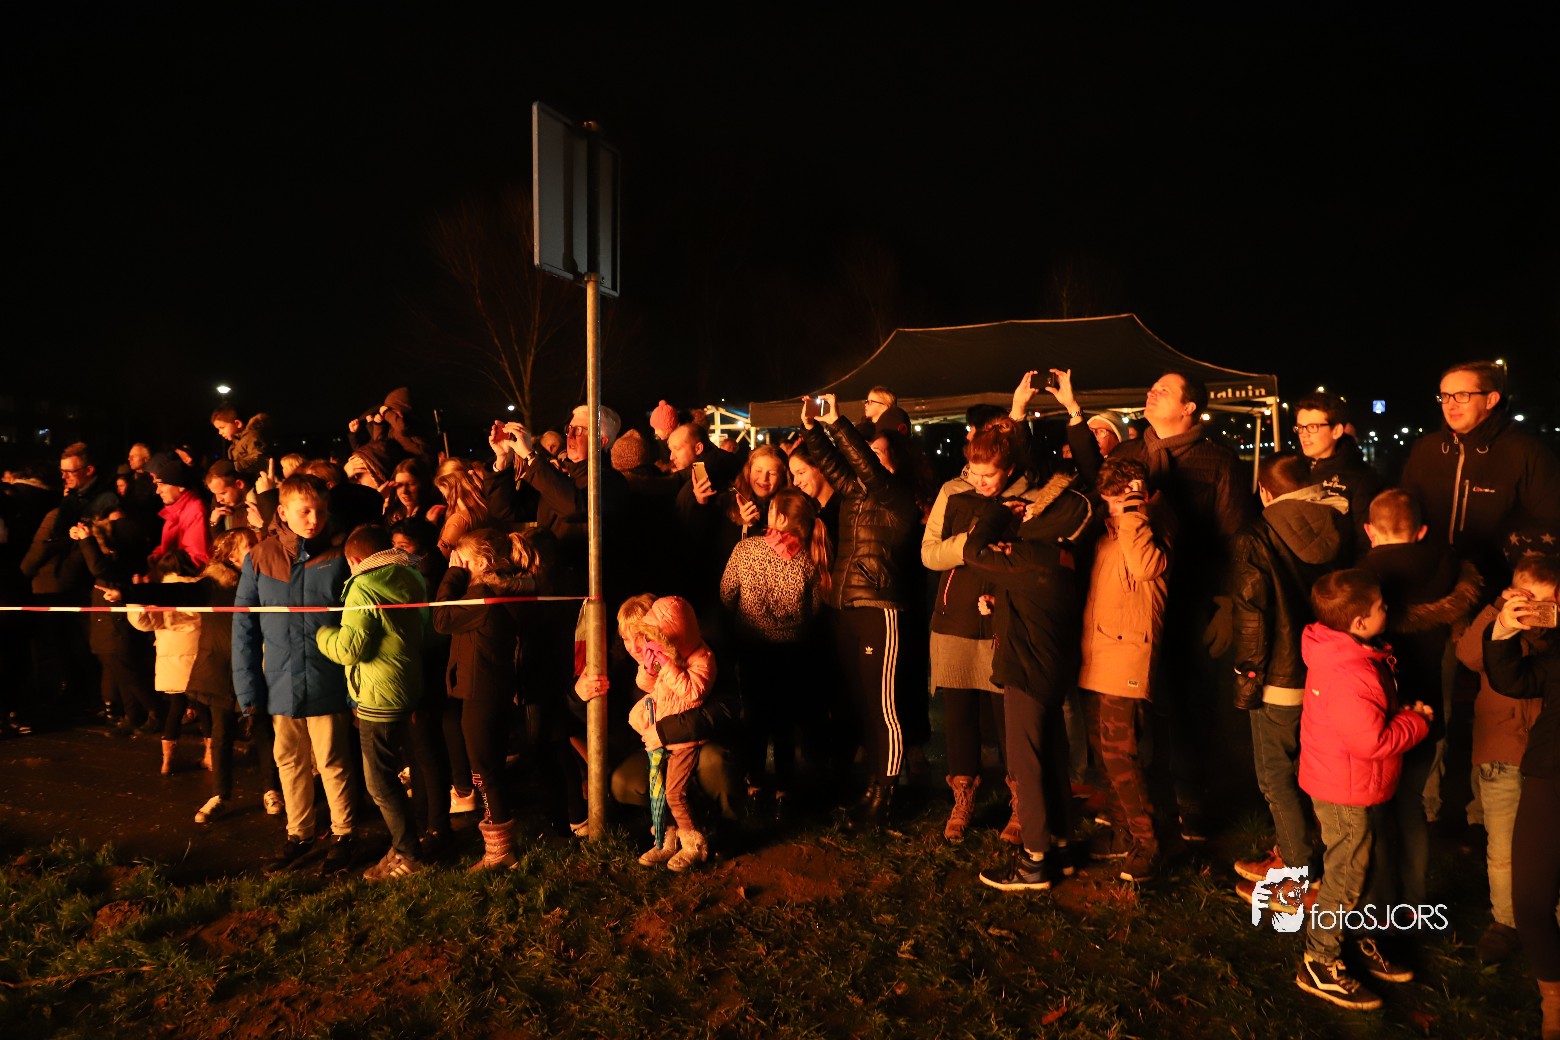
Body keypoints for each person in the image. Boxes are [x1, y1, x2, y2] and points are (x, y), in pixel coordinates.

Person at [958, 438, 1095, 892]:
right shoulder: (1062, 557)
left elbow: (973, 552)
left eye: (1039, 509)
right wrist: (1001, 603)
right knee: (1050, 756)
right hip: (1051, 666)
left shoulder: (1032, 554)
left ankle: (1034, 858)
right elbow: (1031, 598)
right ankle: (1060, 845)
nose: (1031, 511)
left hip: (1026, 668)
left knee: (1026, 763)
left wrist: (999, 513)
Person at [1295, 569, 1433, 1011]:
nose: (1387, 609)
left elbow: (1364, 722)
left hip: (1347, 780)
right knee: (1345, 876)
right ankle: (1320, 960)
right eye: (1380, 607)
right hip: (1345, 788)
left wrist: (1396, 711)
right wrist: (1417, 722)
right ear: (1358, 623)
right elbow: (1371, 742)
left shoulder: (1344, 654)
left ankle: (1354, 938)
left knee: (1360, 867)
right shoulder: (1351, 672)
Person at [1229, 453, 1349, 896]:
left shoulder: (1255, 536)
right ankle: (1314, 854)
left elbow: (1253, 617)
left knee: (1276, 775)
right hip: (1330, 669)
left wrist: (1248, 674)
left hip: (1281, 677)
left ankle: (1299, 872)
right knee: (1316, 772)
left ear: (1265, 492)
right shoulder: (1337, 523)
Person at [800, 393, 922, 828]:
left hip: (878, 607)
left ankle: (886, 796)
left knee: (882, 706)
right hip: (846, 605)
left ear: (895, 462)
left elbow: (865, 467)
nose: (869, 457)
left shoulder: (898, 497)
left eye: (879, 453)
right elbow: (834, 465)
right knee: (863, 705)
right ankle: (872, 787)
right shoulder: (856, 493)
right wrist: (812, 430)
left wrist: (837, 422)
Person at [921, 415, 1039, 844]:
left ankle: (1021, 802)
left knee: (1008, 718)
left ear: (1009, 469)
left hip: (1003, 621)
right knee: (958, 717)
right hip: (954, 618)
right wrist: (969, 541)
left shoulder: (1027, 500)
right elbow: (929, 554)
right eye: (974, 471)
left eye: (989, 474)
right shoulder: (953, 493)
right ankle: (963, 798)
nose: (980, 481)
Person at [233, 474, 357, 876]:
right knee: (288, 760)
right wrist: (247, 690)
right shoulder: (259, 557)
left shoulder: (341, 555)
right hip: (280, 682)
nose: (314, 519)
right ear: (283, 512)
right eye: (305, 511)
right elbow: (243, 628)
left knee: (333, 760)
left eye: (320, 510)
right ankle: (299, 833)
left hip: (327, 678)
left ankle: (344, 834)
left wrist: (355, 688)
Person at [317, 524, 428, 881]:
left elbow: (351, 649)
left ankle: (409, 854)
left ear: (354, 560)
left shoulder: (363, 586)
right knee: (395, 771)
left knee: (379, 781)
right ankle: (405, 843)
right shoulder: (410, 577)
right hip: (406, 685)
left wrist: (323, 635)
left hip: (379, 695)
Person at [1078, 457, 1168, 882]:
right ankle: (1122, 833)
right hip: (1097, 655)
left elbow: (1146, 567)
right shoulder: (1111, 532)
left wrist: (1134, 509)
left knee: (1121, 757)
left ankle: (1148, 843)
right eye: (1110, 502)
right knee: (1104, 754)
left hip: (1129, 657)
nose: (1113, 509)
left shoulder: (1153, 528)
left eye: (1120, 499)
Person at [1481, 557, 1560, 1038]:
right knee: (1530, 899)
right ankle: (1554, 1002)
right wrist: (1506, 628)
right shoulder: (1555, 647)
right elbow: (1513, 680)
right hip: (1552, 772)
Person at [432, 527, 542, 870]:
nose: (459, 566)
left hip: (482, 691)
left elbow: (440, 618)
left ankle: (500, 852)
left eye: (464, 561)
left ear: (482, 563)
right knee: (488, 767)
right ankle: (499, 847)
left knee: (484, 770)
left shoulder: (483, 594)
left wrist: (452, 575)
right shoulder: (496, 590)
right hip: (489, 687)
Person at [1456, 557, 1548, 964]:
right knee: (1504, 847)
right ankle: (1506, 922)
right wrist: (1499, 613)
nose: (1535, 610)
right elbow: (1468, 655)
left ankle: (1548, 918)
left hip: (1546, 755)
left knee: (1549, 842)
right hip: (1502, 751)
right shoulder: (1497, 623)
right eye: (1528, 600)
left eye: (1546, 603)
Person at [1401, 360, 1560, 589]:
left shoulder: (1525, 452)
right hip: (1432, 581)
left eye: (1462, 395)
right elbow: (1405, 507)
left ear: (1491, 399)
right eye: (1445, 396)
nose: (1451, 405)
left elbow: (1550, 522)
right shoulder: (1426, 449)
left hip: (1499, 586)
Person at [720, 487, 831, 816]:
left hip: (753, 650)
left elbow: (726, 593)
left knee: (755, 717)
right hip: (791, 652)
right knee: (784, 720)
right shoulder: (808, 558)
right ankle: (784, 788)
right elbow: (814, 608)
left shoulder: (746, 550)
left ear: (780, 517)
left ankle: (754, 784)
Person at [625, 595, 717, 871]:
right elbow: (647, 685)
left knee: (675, 793)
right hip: (662, 733)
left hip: (684, 739)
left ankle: (693, 845)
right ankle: (666, 840)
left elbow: (693, 693)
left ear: (678, 636)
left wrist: (668, 665)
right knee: (659, 789)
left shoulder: (703, 658)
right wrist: (648, 666)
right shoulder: (669, 655)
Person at [126, 550, 205, 776]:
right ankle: (210, 756)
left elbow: (144, 624)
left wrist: (136, 596)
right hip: (198, 652)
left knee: (175, 707)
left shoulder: (159, 591)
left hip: (170, 655)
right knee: (204, 707)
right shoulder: (200, 588)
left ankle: (167, 761)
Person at [1292, 391, 1380, 560]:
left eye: (1313, 427)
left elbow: (1364, 541)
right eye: (1300, 427)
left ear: (1337, 430)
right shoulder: (1292, 468)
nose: (1304, 434)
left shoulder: (1360, 477)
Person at [145, 453, 211, 568]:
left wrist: (163, 567)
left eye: (162, 485)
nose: (158, 491)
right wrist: (158, 555)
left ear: (180, 486)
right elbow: (170, 547)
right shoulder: (176, 508)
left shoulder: (196, 512)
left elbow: (197, 558)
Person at [210, 404, 271, 482]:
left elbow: (260, 459)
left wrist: (234, 466)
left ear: (237, 424)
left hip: (261, 482)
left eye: (222, 427)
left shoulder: (251, 437)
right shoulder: (233, 446)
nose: (220, 432)